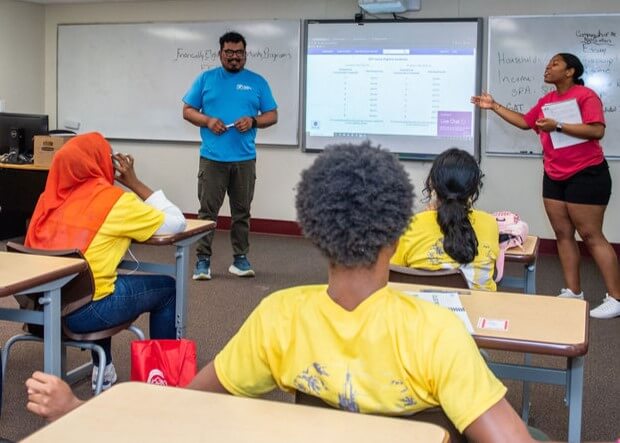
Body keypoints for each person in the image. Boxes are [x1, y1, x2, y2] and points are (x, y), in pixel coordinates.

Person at [26, 142, 542, 442]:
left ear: (314, 233)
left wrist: (78, 411)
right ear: (394, 234)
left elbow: (179, 413)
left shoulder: (279, 317)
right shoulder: (437, 333)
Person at [24, 132, 187, 391]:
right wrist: (134, 182)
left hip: (39, 312)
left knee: (100, 278)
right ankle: (164, 378)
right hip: (84, 315)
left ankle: (105, 367)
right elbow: (177, 222)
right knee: (167, 288)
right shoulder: (113, 202)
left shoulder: (48, 201)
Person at [472, 53, 620, 318]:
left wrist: (559, 125)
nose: (548, 67)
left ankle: (616, 297)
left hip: (587, 175)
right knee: (563, 233)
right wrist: (494, 106)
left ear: (570, 71)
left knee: (590, 235)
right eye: (548, 63)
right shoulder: (547, 100)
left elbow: (597, 130)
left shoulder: (586, 96)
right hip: (554, 173)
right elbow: (525, 122)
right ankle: (574, 291)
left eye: (555, 64)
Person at [182, 31, 278, 281]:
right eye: (229, 53)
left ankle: (240, 260)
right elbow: (188, 111)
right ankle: (203, 262)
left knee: (242, 212)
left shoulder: (257, 82)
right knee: (207, 213)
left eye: (239, 53)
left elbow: (272, 115)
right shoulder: (206, 79)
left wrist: (254, 120)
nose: (234, 57)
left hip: (244, 160)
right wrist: (208, 120)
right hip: (212, 159)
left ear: (245, 55)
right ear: (220, 54)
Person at [391, 148, 499, 291]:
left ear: (432, 185)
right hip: (479, 311)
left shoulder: (410, 225)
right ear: (473, 190)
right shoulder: (490, 224)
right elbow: (493, 272)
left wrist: (423, 217)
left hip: (425, 310)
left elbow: (393, 273)